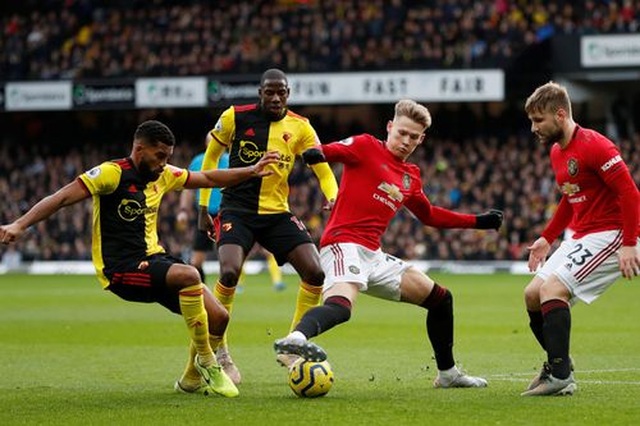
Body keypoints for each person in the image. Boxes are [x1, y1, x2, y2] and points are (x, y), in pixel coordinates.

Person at [0, 120, 278, 398]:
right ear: (139, 149)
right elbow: (61, 198)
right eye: (159, 156)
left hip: (154, 259)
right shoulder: (111, 174)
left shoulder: (164, 175)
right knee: (190, 274)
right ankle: (208, 362)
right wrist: (19, 225)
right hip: (121, 269)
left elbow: (207, 178)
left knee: (219, 317)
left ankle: (190, 379)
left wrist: (251, 171)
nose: (163, 163)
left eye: (167, 157)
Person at [273, 99, 504, 389]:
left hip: (374, 255)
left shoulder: (411, 177)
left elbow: (429, 215)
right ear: (390, 127)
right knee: (342, 306)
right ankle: (295, 340)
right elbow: (329, 151)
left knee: (441, 299)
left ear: (422, 139)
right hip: (342, 244)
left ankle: (448, 374)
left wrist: (478, 221)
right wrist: (314, 153)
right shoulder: (366, 145)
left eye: (413, 137)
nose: (406, 141)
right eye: (401, 133)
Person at [198, 68, 339, 384]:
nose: (276, 98)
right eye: (269, 92)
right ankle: (219, 351)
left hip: (277, 213)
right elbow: (210, 162)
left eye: (282, 93)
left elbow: (324, 170)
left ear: (288, 94)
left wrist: (334, 196)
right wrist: (203, 208)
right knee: (229, 272)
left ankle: (293, 345)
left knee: (315, 272)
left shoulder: (301, 126)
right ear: (260, 92)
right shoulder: (235, 117)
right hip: (237, 210)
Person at [521, 81, 640, 396]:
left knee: (552, 289)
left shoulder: (596, 145)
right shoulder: (557, 151)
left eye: (538, 120)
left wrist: (629, 243)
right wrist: (547, 238)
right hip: (581, 236)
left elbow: (630, 193)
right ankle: (558, 363)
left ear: (560, 115)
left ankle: (560, 377)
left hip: (612, 234)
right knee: (532, 294)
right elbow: (568, 196)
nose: (533, 127)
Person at [177, 145, 286, 292]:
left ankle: (235, 286)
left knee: (234, 255)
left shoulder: (231, 159)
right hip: (206, 215)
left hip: (229, 213)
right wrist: (183, 210)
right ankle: (202, 293)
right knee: (196, 260)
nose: (216, 147)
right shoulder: (198, 161)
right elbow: (188, 188)